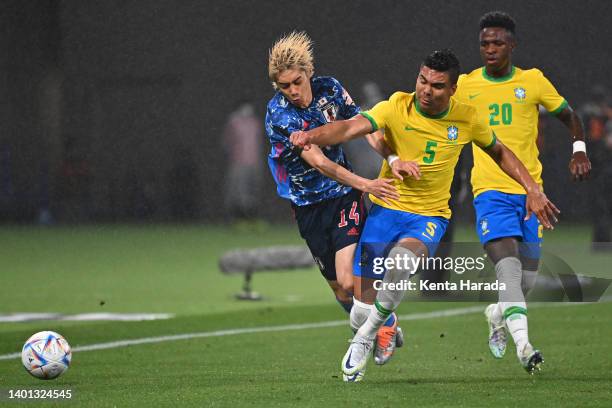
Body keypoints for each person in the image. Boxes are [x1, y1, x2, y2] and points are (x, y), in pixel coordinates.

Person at [291, 49, 559, 381]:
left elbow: (501, 152)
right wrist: (309, 136)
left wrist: (532, 188)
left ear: (453, 89)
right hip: (385, 210)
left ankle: (362, 339)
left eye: (436, 85)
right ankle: (377, 328)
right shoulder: (395, 106)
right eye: (422, 80)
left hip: (428, 216)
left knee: (401, 265)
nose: (426, 90)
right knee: (360, 307)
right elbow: (347, 129)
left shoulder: (467, 117)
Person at [454, 11, 592, 373]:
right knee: (510, 271)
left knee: (524, 279)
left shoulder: (532, 81)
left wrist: (578, 150)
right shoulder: (466, 85)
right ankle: (524, 347)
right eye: (485, 43)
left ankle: (497, 314)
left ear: (512, 45)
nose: (490, 49)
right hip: (490, 192)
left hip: (532, 196)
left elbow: (569, 116)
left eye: (498, 42)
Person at [264, 31, 406, 370]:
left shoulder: (330, 89)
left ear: (308, 72)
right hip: (307, 207)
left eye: (296, 82)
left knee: (348, 279)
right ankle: (385, 323)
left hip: (344, 198)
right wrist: (368, 183)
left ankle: (378, 330)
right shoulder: (279, 115)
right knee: (341, 293)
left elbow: (362, 125)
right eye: (284, 86)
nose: (293, 91)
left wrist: (392, 158)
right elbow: (320, 164)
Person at [222, 102, 264, 222]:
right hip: (238, 162)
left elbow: (258, 143)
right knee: (237, 191)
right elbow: (226, 142)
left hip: (254, 162)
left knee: (253, 191)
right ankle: (236, 218)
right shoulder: (234, 122)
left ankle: (251, 217)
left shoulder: (255, 123)